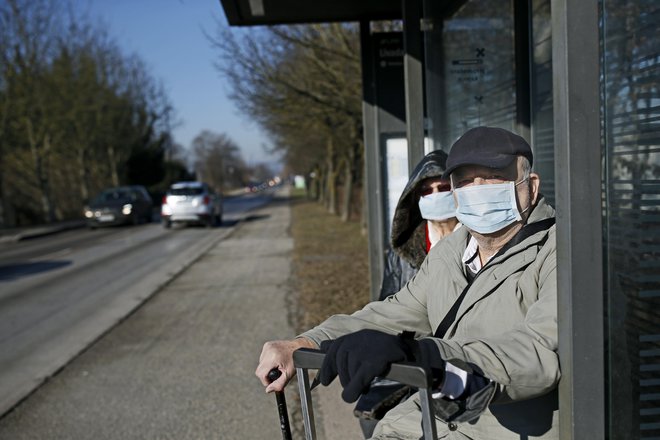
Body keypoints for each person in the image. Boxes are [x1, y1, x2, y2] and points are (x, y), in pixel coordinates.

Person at [256, 126, 559, 439]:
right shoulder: (449, 252)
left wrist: (429, 358)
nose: (478, 189)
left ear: (531, 186)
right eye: (466, 181)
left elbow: (538, 351)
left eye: (494, 176)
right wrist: (307, 344)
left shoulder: (559, 252)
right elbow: (395, 312)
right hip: (426, 422)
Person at [355, 149, 459, 437]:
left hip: (461, 359)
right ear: (417, 199)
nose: (436, 194)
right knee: (378, 419)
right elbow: (388, 308)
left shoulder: (476, 240)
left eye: (443, 187)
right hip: (414, 357)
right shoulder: (403, 253)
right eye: (428, 190)